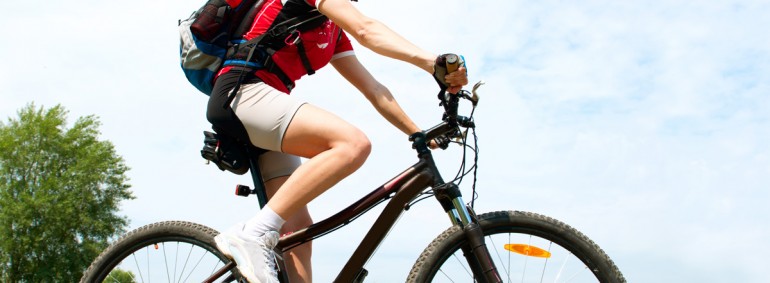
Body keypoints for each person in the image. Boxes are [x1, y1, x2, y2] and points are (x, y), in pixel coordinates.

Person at [207, 0, 468, 282]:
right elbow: (367, 30)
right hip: (242, 91)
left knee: (295, 233)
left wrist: (418, 134)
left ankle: (258, 237)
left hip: (265, 106)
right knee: (352, 144)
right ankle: (250, 235)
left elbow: (374, 89)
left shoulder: (333, 31)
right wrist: (432, 63)